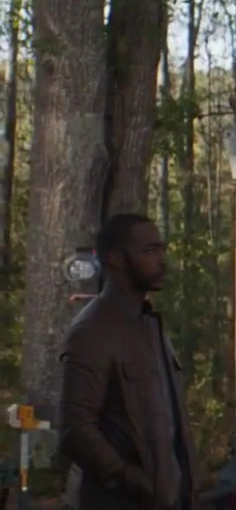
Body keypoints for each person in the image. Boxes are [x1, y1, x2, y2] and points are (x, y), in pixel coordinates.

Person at [57, 213, 201, 510]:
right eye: (150, 251)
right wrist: (132, 480)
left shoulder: (149, 325)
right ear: (116, 259)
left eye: (161, 249)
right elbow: (75, 430)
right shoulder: (93, 329)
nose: (161, 260)